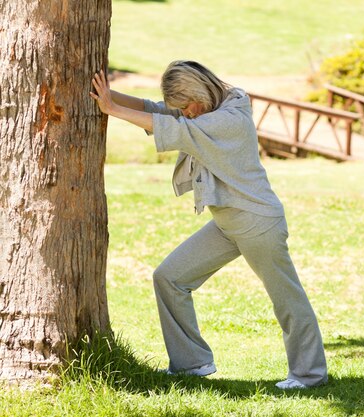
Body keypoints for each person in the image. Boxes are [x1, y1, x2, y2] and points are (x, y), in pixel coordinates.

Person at [89, 61, 328, 389]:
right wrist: (105, 93)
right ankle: (192, 363)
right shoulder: (205, 110)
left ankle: (309, 374)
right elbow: (155, 110)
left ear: (199, 94)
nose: (185, 114)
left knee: (287, 298)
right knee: (169, 278)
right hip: (228, 222)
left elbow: (174, 128)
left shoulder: (227, 120)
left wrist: (112, 109)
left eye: (187, 107)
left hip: (257, 222)